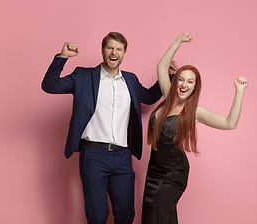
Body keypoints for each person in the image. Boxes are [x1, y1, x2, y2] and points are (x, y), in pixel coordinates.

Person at [42, 32, 167, 224]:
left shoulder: (131, 80)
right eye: (110, 47)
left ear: (124, 54)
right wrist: (63, 57)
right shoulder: (83, 76)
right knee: (98, 216)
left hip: (123, 157)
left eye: (119, 49)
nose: (114, 52)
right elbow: (49, 86)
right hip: (93, 156)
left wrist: (170, 75)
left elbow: (149, 97)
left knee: (126, 215)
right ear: (103, 51)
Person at [141, 33, 248, 224]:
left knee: (160, 211)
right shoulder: (167, 96)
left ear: (195, 87)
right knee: (153, 216)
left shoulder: (195, 112)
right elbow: (161, 66)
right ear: (175, 81)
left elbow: (229, 123)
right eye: (181, 79)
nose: (184, 84)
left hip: (174, 174)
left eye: (190, 82)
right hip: (153, 171)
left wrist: (239, 92)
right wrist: (178, 41)